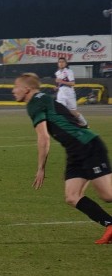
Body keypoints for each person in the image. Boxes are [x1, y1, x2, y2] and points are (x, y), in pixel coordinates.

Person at [11, 73, 112, 244]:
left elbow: (43, 138)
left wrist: (41, 168)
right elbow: (76, 117)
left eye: (16, 87)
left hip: (87, 146)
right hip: (76, 150)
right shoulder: (47, 99)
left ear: (26, 89)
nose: (13, 91)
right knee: (72, 196)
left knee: (108, 195)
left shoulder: (34, 104)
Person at [54, 57, 88, 127]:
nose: (61, 63)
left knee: (73, 112)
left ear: (66, 64)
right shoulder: (57, 73)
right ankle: (67, 124)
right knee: (59, 108)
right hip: (61, 93)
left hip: (69, 93)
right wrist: (57, 87)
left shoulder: (69, 71)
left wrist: (61, 81)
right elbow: (61, 84)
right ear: (58, 64)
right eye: (59, 62)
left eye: (63, 62)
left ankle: (84, 123)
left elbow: (72, 83)